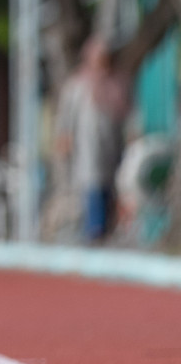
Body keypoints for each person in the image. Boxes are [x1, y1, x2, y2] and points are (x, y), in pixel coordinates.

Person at [52, 37, 130, 241]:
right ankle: (94, 230)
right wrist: (64, 137)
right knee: (91, 185)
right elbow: (66, 116)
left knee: (112, 186)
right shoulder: (78, 84)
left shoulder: (116, 83)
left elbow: (125, 114)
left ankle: (107, 229)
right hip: (87, 147)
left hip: (111, 146)